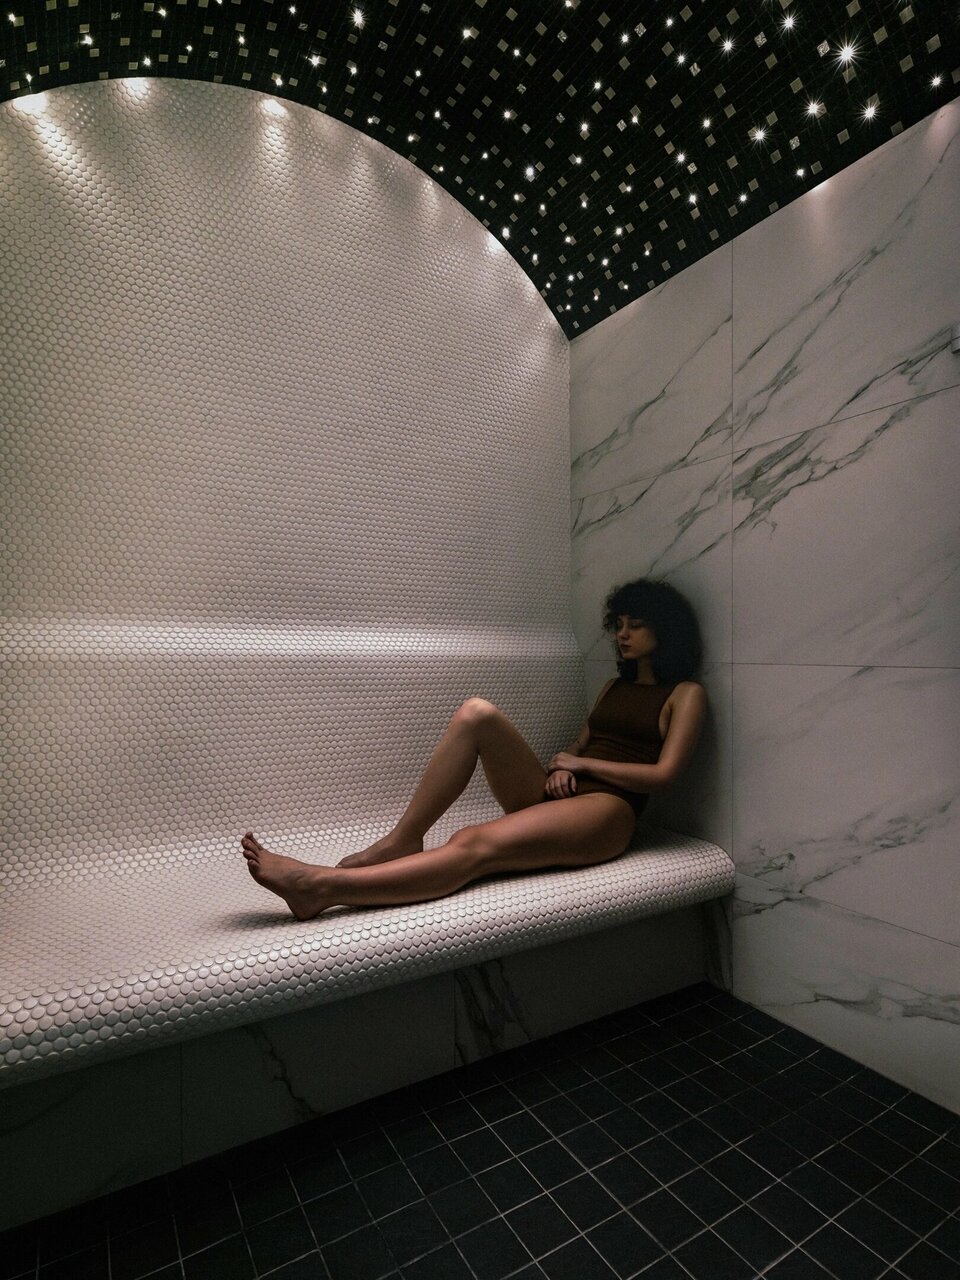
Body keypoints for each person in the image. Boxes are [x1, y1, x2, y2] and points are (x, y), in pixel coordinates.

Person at [241, 578, 707, 920]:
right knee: (476, 713)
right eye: (619, 625)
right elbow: (577, 748)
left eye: (636, 626)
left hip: (608, 811)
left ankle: (321, 887)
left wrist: (582, 764)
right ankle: (405, 837)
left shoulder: (686, 694)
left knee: (473, 843)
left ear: (665, 632)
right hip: (563, 795)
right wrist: (564, 767)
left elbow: (664, 776)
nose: (622, 634)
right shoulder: (612, 687)